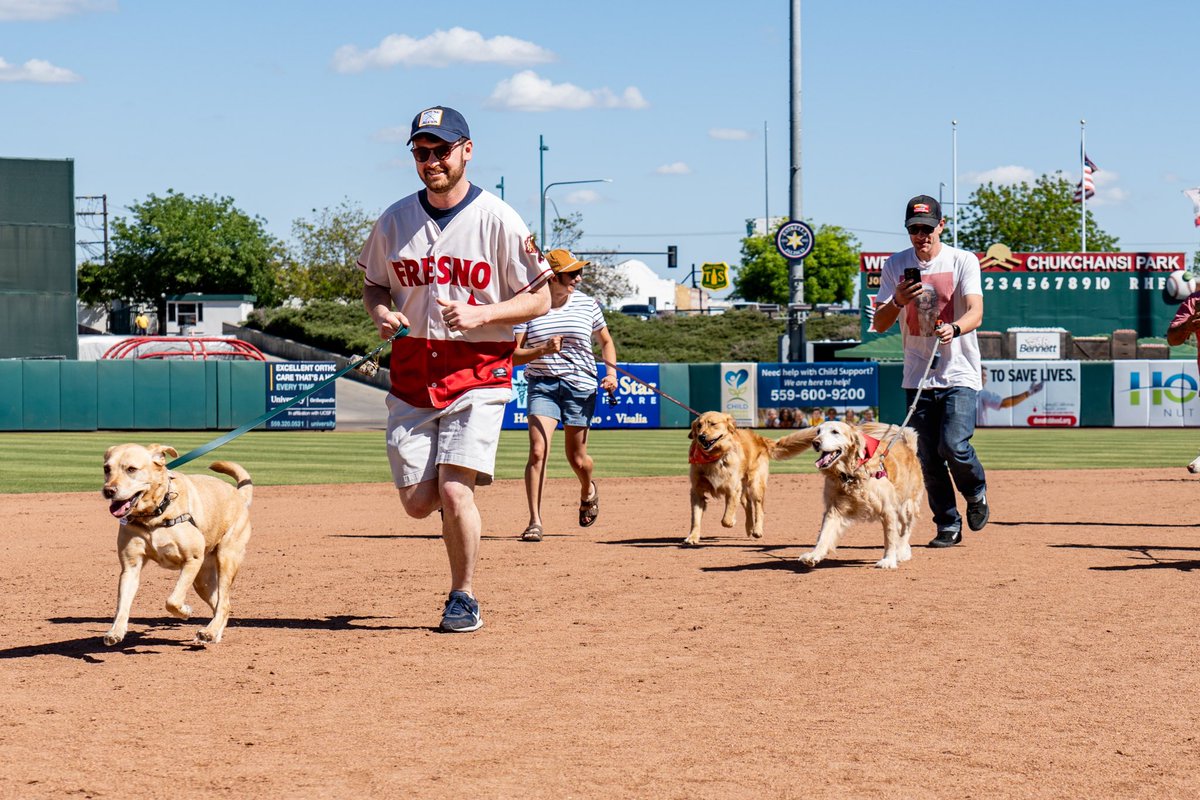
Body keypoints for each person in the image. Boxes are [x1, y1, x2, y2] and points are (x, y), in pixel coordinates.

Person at [359, 105, 552, 632]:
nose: (431, 161)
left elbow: (541, 299)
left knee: (452, 491)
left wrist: (484, 313)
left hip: (479, 372)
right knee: (419, 505)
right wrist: (380, 310)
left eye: (441, 150)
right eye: (422, 152)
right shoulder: (395, 218)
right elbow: (375, 281)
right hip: (411, 374)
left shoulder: (499, 219)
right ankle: (453, 496)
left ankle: (463, 595)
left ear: (467, 150)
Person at [870, 194, 988, 548]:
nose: (921, 236)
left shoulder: (963, 260)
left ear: (941, 225)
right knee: (928, 457)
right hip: (918, 376)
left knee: (953, 445)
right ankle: (948, 525)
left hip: (960, 371)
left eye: (926, 228)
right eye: (913, 229)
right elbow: (879, 321)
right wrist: (898, 300)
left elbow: (976, 312)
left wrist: (956, 328)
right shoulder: (895, 265)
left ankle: (976, 490)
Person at [511, 249, 618, 542]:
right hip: (542, 383)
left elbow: (606, 342)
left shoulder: (587, 304)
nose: (579, 278)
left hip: (580, 386)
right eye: (572, 274)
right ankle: (535, 521)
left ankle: (588, 490)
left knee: (578, 459)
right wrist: (542, 350)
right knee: (537, 450)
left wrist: (611, 374)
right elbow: (513, 356)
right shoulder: (528, 307)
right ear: (553, 277)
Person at [977, 367, 1044, 426]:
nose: (985, 377)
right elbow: (1004, 403)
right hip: (977, 430)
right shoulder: (981, 393)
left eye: (985, 374)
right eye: (983, 374)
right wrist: (1029, 393)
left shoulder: (971, 391)